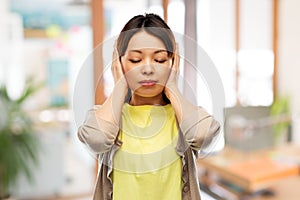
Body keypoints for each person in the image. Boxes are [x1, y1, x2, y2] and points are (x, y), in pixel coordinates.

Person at [77, 13, 221, 200]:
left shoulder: (183, 117)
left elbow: (204, 135)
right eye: (135, 60)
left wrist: (172, 87)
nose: (147, 69)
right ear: (119, 63)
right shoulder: (107, 116)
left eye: (160, 59)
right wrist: (120, 84)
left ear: (173, 62)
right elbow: (96, 138)